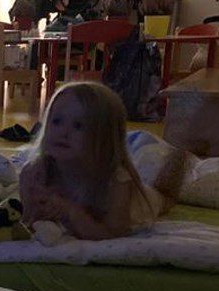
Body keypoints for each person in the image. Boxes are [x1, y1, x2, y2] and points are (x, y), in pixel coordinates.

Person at [19, 82, 184, 240]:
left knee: (164, 196)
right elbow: (28, 222)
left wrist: (71, 212)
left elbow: (112, 234)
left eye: (78, 125)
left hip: (142, 202)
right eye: (56, 121)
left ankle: (181, 155)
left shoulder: (117, 180)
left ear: (105, 139)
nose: (63, 132)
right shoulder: (34, 173)